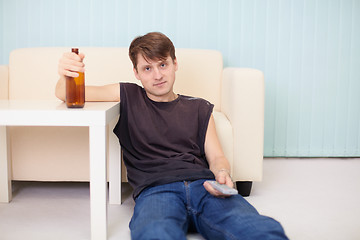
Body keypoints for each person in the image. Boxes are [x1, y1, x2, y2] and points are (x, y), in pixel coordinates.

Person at [56, 32, 288, 240]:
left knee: (259, 230)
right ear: (136, 73)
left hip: (204, 185)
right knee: (155, 234)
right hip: (156, 190)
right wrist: (66, 73)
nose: (157, 75)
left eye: (163, 65)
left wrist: (222, 173)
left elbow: (217, 156)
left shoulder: (199, 107)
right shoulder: (128, 95)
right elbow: (65, 94)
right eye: (147, 68)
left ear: (175, 64)